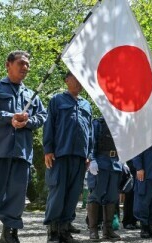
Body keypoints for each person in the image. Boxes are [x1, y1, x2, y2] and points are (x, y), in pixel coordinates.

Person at [0, 50, 47, 243]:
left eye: (28, 64)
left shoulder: (31, 95)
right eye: (21, 63)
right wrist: (9, 118)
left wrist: (28, 120)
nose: (25, 68)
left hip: (21, 154)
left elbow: (43, 116)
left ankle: (10, 236)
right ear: (8, 65)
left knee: (16, 198)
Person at [42, 71, 92, 243]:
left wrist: (89, 154)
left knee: (72, 195)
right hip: (60, 155)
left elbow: (89, 132)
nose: (79, 82)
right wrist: (48, 149)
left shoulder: (86, 104)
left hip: (80, 157)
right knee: (58, 193)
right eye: (75, 78)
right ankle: (53, 231)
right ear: (66, 80)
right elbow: (49, 126)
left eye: (81, 79)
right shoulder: (57, 100)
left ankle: (65, 230)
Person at [87, 117, 124, 241]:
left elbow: (124, 145)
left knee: (112, 197)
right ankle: (93, 230)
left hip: (116, 164)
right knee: (96, 196)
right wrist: (92, 160)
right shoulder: (98, 123)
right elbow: (91, 142)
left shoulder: (120, 124)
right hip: (101, 163)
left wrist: (124, 161)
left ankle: (108, 230)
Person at [122, 160, 140, 230]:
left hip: (137, 167)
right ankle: (127, 221)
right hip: (130, 166)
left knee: (136, 197)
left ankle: (134, 220)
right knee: (130, 196)